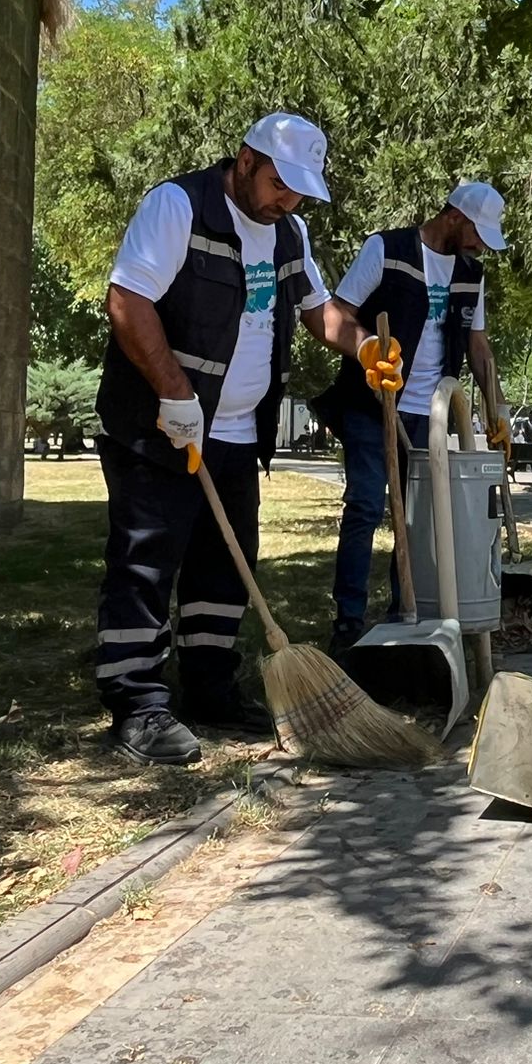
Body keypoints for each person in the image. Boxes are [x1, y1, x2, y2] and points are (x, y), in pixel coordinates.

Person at [92, 114, 383, 766]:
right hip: (157, 422)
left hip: (234, 431)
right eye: (282, 184)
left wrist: (363, 346)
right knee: (146, 561)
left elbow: (317, 309)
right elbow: (127, 300)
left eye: (302, 191)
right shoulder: (179, 207)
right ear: (247, 160)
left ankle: (209, 689)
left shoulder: (290, 233)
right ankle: (137, 704)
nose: (290, 200)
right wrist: (173, 393)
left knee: (224, 565)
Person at [317, 183, 509, 651]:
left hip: (432, 414)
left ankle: (408, 611)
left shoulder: (471, 274)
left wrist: (495, 405)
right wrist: (368, 350)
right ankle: (348, 619)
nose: (480, 245)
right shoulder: (387, 249)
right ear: (455, 217)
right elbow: (338, 313)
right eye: (478, 233)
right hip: (373, 401)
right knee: (365, 504)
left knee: (418, 519)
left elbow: (478, 345)